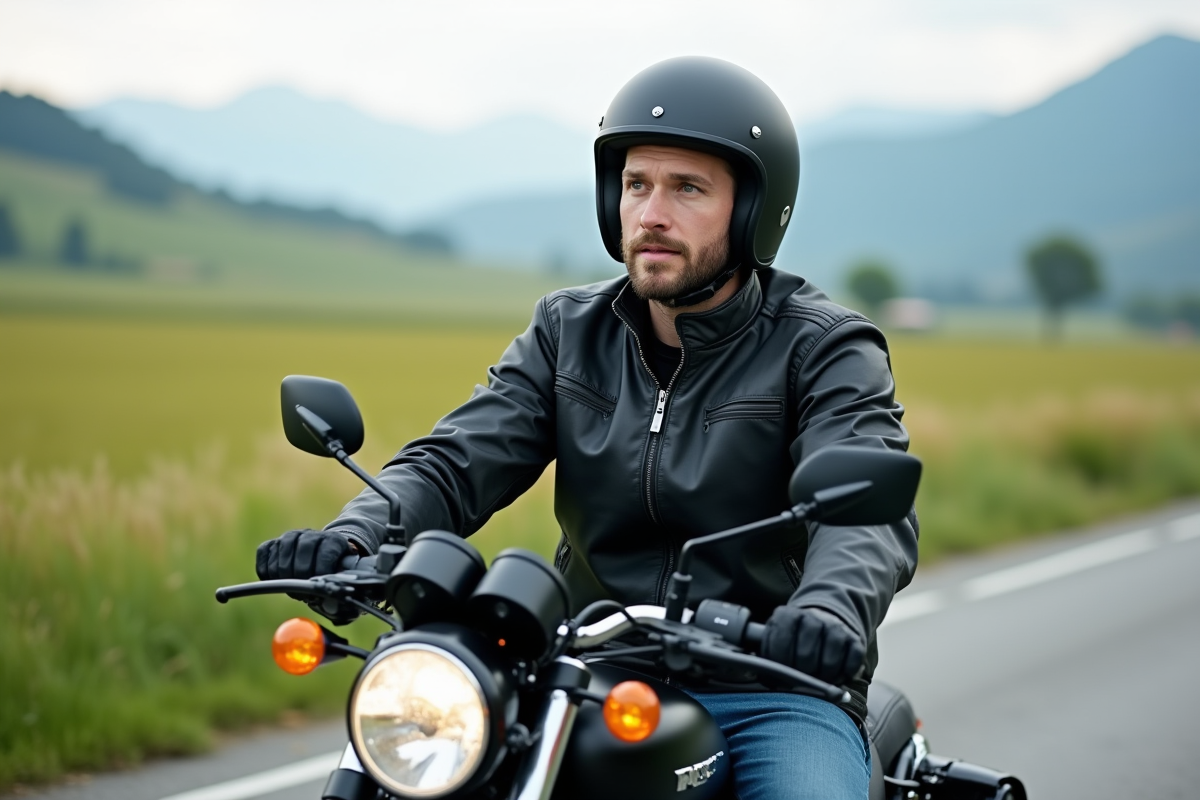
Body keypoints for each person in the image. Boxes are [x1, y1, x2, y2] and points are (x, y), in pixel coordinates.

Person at [257, 56, 918, 800]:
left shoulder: (823, 347)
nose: (652, 214)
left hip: (771, 682)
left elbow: (868, 515)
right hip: (589, 668)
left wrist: (827, 610)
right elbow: (455, 460)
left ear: (752, 211)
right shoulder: (568, 331)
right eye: (637, 185)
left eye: (688, 189)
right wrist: (355, 533)